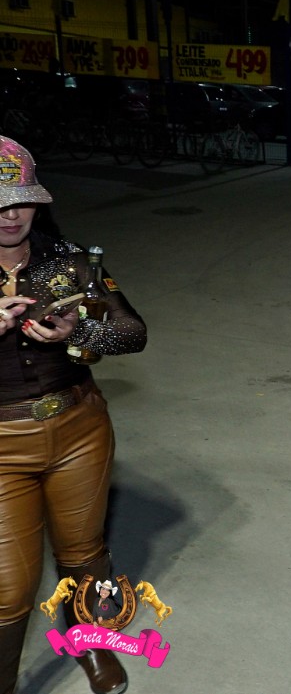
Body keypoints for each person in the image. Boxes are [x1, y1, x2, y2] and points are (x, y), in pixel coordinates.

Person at [0, 135, 147, 694]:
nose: (11, 215)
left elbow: (133, 332)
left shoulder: (71, 261)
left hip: (79, 431)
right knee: (9, 588)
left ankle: (92, 645)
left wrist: (78, 332)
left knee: (85, 554)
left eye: (21, 199)